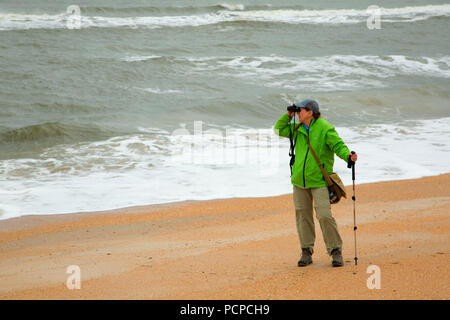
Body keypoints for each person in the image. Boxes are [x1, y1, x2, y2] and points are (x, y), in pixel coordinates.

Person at [274, 99, 358, 267]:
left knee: (324, 216)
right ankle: (306, 251)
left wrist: (348, 156)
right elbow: (278, 130)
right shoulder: (297, 129)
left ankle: (335, 251)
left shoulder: (325, 128)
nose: (298, 113)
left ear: (310, 112)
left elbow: (338, 145)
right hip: (299, 181)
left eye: (300, 111)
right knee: (302, 217)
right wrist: (288, 115)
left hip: (319, 180)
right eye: (297, 111)